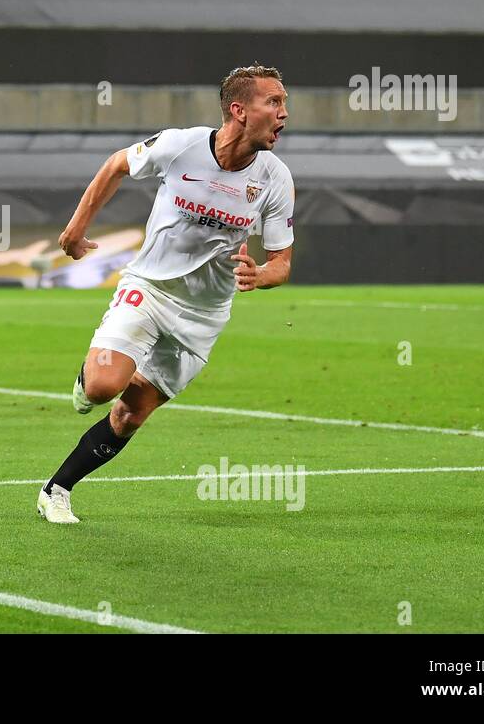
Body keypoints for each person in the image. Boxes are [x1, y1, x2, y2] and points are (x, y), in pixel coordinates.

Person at [38, 64, 295, 523]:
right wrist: (76, 229)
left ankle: (56, 489)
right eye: (273, 102)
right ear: (239, 110)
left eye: (283, 103)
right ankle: (89, 376)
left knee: (130, 416)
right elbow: (118, 163)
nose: (284, 113)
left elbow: (281, 262)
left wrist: (264, 276)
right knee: (101, 389)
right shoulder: (181, 146)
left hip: (203, 315)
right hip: (150, 288)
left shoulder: (275, 179)